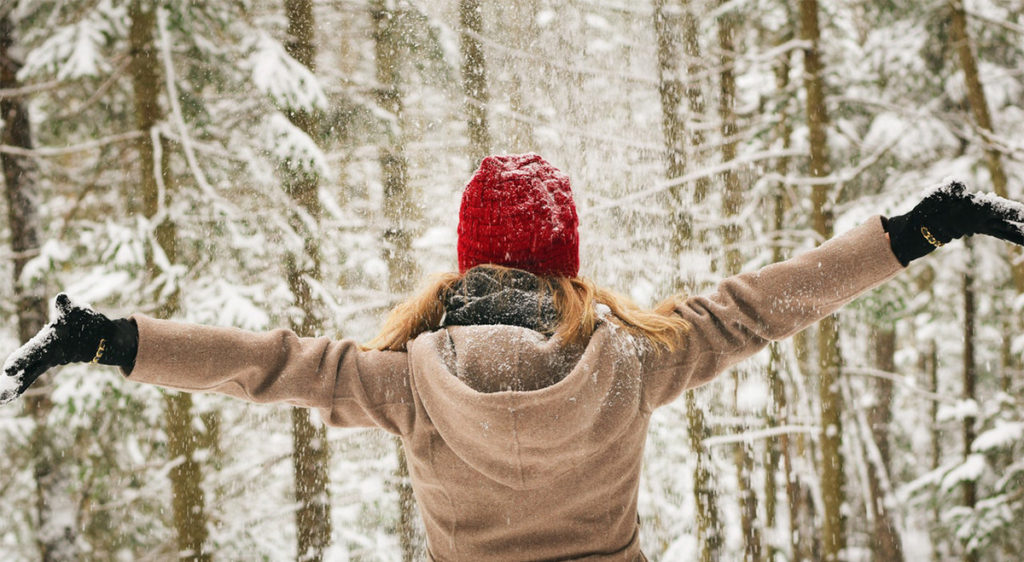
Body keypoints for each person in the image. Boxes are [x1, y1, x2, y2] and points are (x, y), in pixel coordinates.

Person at [3, 153, 1024, 561]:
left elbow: (268, 364)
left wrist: (109, 339)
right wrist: (918, 228)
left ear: (466, 259)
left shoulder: (405, 382)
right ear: (565, 263)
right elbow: (766, 304)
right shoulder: (634, 360)